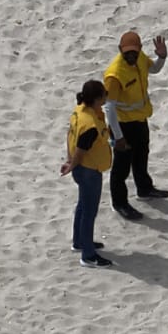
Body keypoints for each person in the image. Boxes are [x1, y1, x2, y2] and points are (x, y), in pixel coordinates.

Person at [105, 30, 168, 222]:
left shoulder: (141, 58)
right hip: (122, 124)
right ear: (120, 50)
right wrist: (118, 136)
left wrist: (162, 57)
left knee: (141, 156)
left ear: (140, 49)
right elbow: (109, 108)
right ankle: (120, 203)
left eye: (134, 52)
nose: (131, 56)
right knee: (121, 167)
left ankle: (144, 188)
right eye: (127, 53)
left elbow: (154, 69)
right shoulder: (115, 74)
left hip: (140, 119)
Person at [60, 79, 114, 268]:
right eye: (104, 94)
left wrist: (69, 161)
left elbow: (70, 136)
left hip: (83, 169)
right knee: (89, 212)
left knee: (83, 206)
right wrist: (72, 164)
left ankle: (80, 241)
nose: (106, 97)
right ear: (98, 98)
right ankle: (88, 255)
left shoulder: (79, 111)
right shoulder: (90, 124)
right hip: (89, 170)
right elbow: (81, 149)